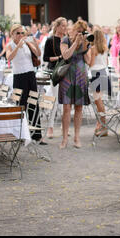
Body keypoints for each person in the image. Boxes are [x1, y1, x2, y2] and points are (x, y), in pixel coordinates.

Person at [6, 24, 43, 143]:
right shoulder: (10, 45)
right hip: (19, 76)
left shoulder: (27, 43)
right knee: (21, 105)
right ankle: (19, 134)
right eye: (18, 33)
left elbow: (38, 54)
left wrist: (34, 43)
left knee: (34, 104)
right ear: (12, 34)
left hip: (30, 74)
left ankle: (36, 135)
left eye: (22, 33)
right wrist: (18, 47)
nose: (21, 35)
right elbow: (9, 58)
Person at [58, 20, 92, 149]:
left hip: (80, 75)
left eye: (82, 31)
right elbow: (66, 56)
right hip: (67, 75)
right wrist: (75, 43)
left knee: (79, 107)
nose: (80, 33)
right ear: (73, 30)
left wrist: (87, 46)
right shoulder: (66, 40)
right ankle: (65, 138)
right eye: (78, 31)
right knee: (66, 108)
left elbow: (89, 61)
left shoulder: (86, 42)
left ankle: (77, 137)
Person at [43, 17, 67, 139]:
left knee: (65, 100)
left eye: (65, 25)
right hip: (55, 71)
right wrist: (59, 58)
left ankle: (64, 126)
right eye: (62, 25)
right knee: (55, 99)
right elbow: (45, 58)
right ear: (57, 27)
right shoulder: (50, 40)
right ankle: (50, 127)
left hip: (67, 71)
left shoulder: (68, 40)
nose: (65, 28)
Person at [89, 29, 111, 136]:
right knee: (99, 102)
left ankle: (103, 126)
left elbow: (91, 64)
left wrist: (87, 60)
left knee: (98, 102)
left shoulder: (93, 49)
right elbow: (106, 63)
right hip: (103, 73)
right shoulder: (105, 48)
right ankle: (100, 124)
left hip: (96, 74)